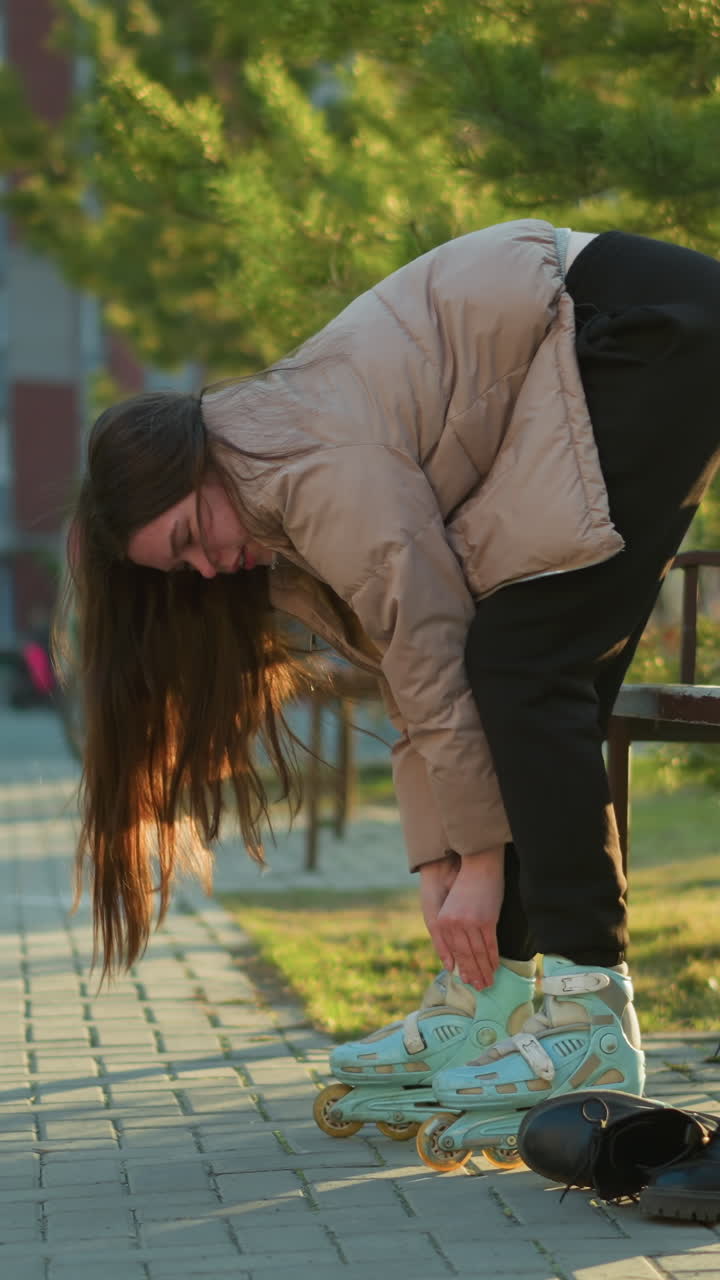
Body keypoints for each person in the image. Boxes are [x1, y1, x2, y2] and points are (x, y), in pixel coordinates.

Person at [64, 220, 720, 1157]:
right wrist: (436, 864)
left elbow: (432, 648)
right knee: (522, 671)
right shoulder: (266, 496)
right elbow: (409, 680)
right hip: (595, 344)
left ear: (194, 466)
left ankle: (589, 1009)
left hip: (638, 326)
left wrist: (479, 865)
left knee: (524, 663)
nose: (206, 569)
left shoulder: (306, 465)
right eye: (181, 569)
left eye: (189, 539)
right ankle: (493, 996)